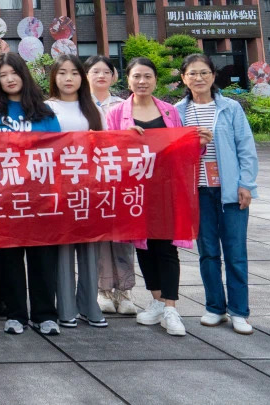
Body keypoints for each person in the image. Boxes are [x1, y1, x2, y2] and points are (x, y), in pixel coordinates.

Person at [103, 57, 191, 337]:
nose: (142, 81)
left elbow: (181, 148)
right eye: (136, 76)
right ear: (127, 80)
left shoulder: (169, 111)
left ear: (155, 80)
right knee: (144, 247)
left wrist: (197, 143)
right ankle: (156, 302)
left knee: (166, 247)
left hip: (166, 189)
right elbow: (106, 151)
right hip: (135, 191)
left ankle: (171, 307)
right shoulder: (117, 113)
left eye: (147, 76)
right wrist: (123, 138)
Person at [175, 53, 258, 335]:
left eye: (204, 73)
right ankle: (214, 307)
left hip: (230, 191)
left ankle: (239, 311)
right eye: (192, 73)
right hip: (197, 192)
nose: (198, 78)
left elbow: (245, 148)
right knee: (208, 252)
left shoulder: (230, 108)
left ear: (213, 76)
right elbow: (171, 151)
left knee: (235, 253)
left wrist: (246, 184)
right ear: (183, 78)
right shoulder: (177, 112)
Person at [0, 51, 61, 336]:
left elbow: (58, 150)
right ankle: (15, 315)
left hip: (39, 196)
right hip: (5, 196)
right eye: (3, 75)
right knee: (9, 259)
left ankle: (45, 314)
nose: (9, 79)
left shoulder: (44, 111)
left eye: (14, 73)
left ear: (23, 74)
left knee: (42, 258)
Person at [45, 55, 107, 329]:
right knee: (63, 248)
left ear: (82, 77)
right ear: (54, 77)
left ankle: (90, 306)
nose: (68, 78)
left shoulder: (93, 108)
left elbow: (107, 146)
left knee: (90, 247)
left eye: (74, 72)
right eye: (62, 73)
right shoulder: (47, 108)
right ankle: (66, 308)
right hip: (59, 188)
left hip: (89, 187)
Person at [85, 55, 137, 316]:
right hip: (91, 180)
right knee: (99, 237)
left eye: (106, 71)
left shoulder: (125, 105)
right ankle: (103, 290)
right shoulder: (81, 105)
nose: (101, 76)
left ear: (115, 76)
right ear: (86, 75)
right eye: (95, 71)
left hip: (122, 178)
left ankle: (125, 291)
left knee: (125, 235)